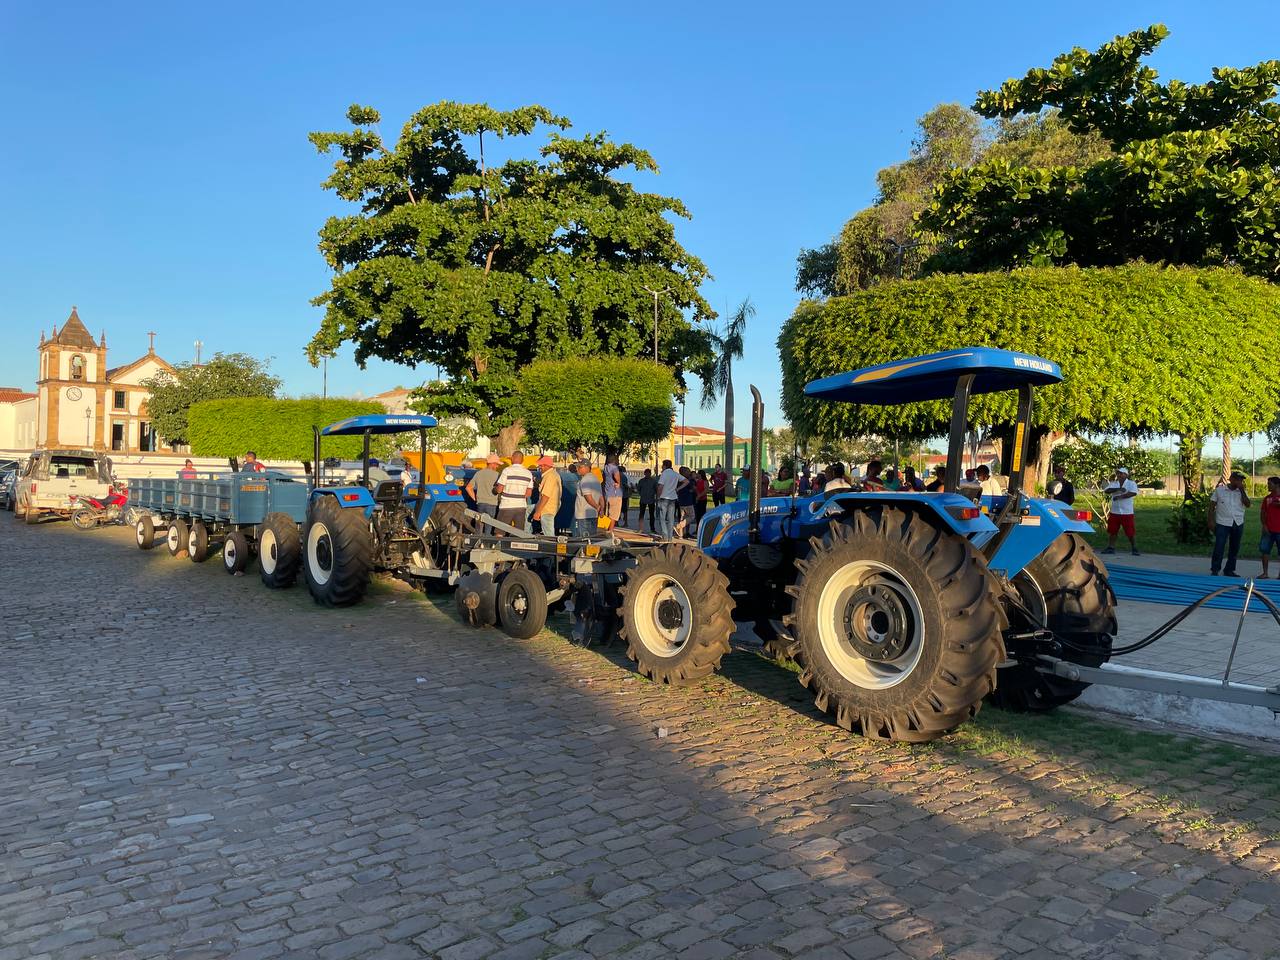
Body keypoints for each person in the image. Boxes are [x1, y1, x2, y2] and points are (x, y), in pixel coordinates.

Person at [1208, 470, 1251, 576]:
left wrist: (1242, 490)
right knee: (1219, 546)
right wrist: (1210, 521)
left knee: (1234, 548)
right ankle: (1215, 569)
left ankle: (1229, 570)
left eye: (1241, 480)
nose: (1239, 482)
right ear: (1231, 479)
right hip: (1222, 522)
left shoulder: (1242, 492)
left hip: (1238, 523)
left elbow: (1248, 504)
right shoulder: (1220, 490)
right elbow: (1211, 506)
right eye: (1237, 479)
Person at [1102, 465, 1140, 555]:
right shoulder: (1114, 483)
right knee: (1113, 531)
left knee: (1130, 531)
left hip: (1127, 512)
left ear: (1126, 475)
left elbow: (1133, 493)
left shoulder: (1131, 483)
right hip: (1115, 511)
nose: (1119, 475)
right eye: (1118, 473)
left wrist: (1120, 496)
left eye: (1121, 473)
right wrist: (1118, 489)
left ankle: (1134, 548)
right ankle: (1111, 547)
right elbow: (1107, 490)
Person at [494, 452, 534, 530]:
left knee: (500, 531)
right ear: (522, 460)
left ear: (512, 458)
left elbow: (499, 490)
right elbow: (529, 493)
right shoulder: (528, 473)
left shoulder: (507, 470)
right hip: (521, 506)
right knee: (518, 533)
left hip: (506, 505)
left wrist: (495, 489)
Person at [531, 455, 562, 536]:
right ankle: (527, 533)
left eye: (541, 466)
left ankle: (550, 545)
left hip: (547, 508)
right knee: (528, 510)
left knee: (548, 534)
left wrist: (537, 512)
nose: (539, 467)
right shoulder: (553, 474)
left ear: (546, 466)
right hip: (550, 506)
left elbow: (545, 496)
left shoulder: (549, 476)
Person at [572, 460, 605, 538]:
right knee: (592, 539)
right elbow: (601, 497)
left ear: (587, 467)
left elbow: (588, 497)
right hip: (594, 515)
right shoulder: (596, 479)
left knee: (582, 540)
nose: (577, 469)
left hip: (583, 516)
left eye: (580, 467)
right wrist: (601, 509)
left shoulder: (584, 480)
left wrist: (598, 507)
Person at [466, 454, 503, 519]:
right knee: (489, 523)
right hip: (492, 504)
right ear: (492, 463)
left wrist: (475, 499)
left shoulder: (478, 473)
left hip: (480, 504)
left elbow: (468, 488)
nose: (497, 466)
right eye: (497, 464)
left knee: (480, 522)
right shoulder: (497, 475)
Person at [656, 459, 684, 539]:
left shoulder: (664, 474)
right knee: (671, 519)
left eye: (662, 465)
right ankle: (670, 537)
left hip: (664, 497)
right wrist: (678, 489)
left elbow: (660, 486)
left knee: (662, 518)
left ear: (664, 466)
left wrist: (658, 496)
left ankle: (665, 536)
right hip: (672, 498)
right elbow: (686, 481)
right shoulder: (675, 474)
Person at [1260, 476, 1280, 579]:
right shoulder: (1267, 499)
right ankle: (1265, 573)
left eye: (1270, 484)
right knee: (1265, 550)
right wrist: (1264, 525)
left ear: (1277, 485)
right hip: (1268, 529)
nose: (1268, 486)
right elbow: (1263, 513)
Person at [602, 453, 624, 524]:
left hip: (607, 493)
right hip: (615, 494)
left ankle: (605, 527)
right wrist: (618, 483)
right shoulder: (614, 468)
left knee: (607, 513)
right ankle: (610, 529)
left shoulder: (606, 467)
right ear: (615, 460)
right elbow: (616, 475)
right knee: (613, 515)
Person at [676, 466, 697, 537]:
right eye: (688, 471)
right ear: (684, 472)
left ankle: (681, 534)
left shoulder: (678, 480)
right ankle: (679, 526)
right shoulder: (688, 480)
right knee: (691, 516)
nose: (689, 473)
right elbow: (694, 488)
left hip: (681, 501)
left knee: (683, 517)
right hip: (687, 501)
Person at [636, 468, 658, 533]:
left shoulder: (653, 481)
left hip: (651, 500)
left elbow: (656, 490)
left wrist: (655, 496)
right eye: (646, 473)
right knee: (641, 514)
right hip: (643, 499)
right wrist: (641, 494)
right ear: (644, 474)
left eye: (649, 473)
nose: (647, 474)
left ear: (650, 474)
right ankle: (640, 528)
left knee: (652, 515)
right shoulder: (641, 481)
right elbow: (638, 489)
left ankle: (652, 529)